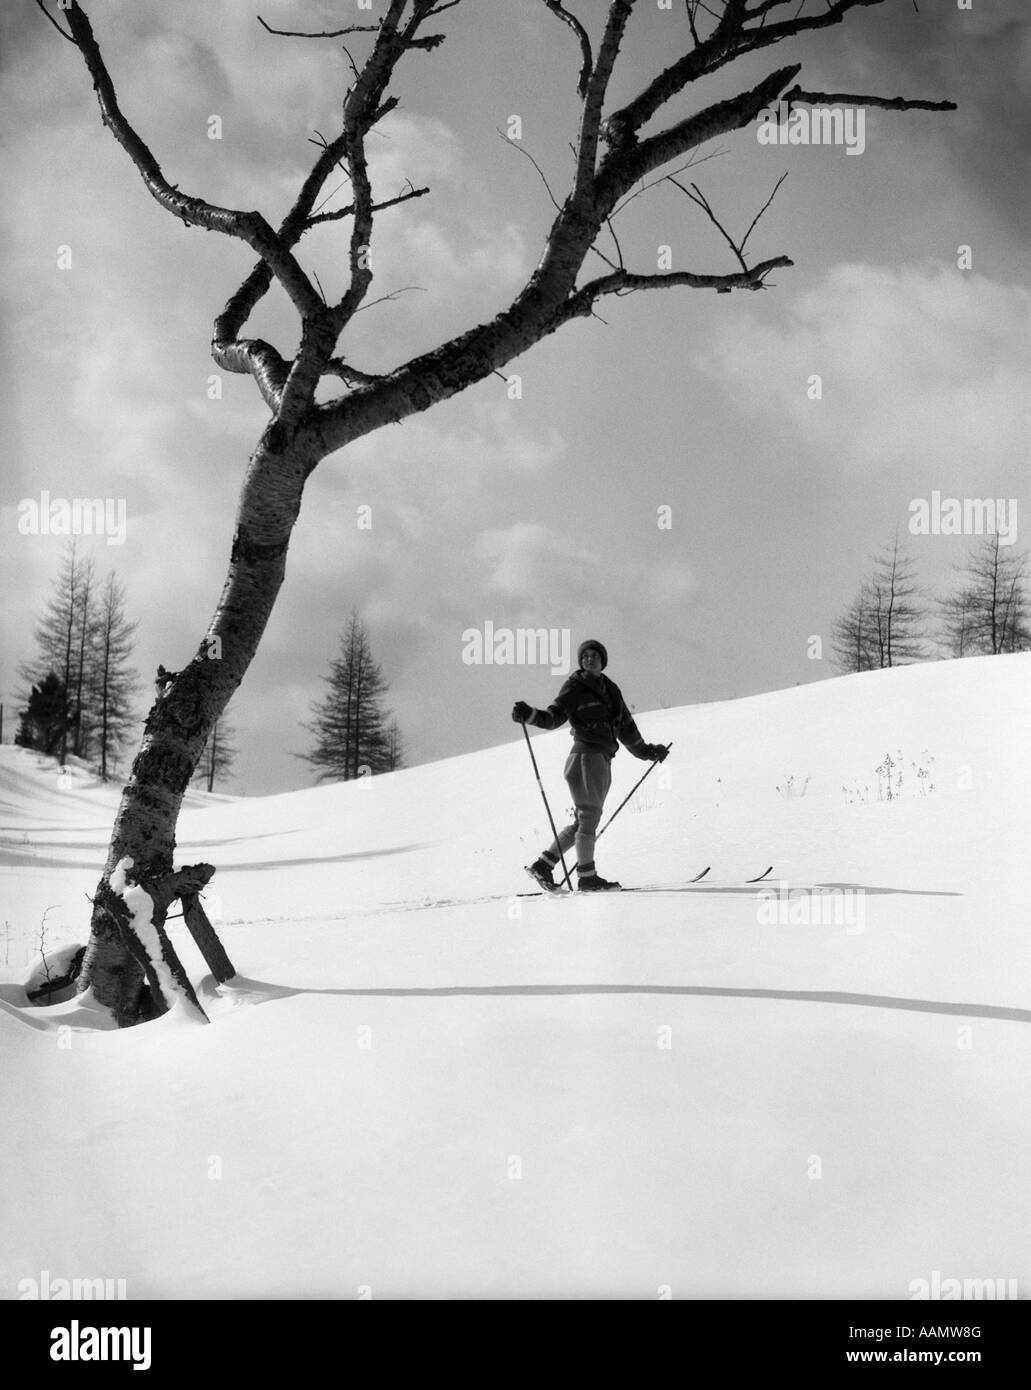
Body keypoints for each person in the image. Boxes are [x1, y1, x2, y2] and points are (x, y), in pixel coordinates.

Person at [512, 639, 668, 892]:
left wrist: (648, 751)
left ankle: (544, 865)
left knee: (582, 822)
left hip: (601, 759)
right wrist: (530, 714)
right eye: (585, 655)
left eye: (595, 654)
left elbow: (626, 728)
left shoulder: (611, 690)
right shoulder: (574, 687)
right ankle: (587, 877)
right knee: (588, 819)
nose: (589, 658)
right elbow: (553, 718)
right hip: (586, 756)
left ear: (603, 661)